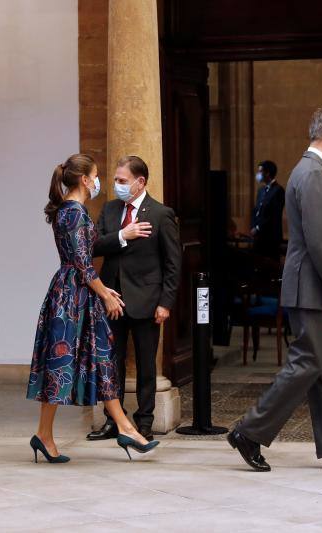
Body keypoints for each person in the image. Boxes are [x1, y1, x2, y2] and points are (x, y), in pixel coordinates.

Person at [227, 107, 322, 471]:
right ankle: (248, 431)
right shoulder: (311, 173)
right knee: (305, 364)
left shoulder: (316, 171)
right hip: (313, 289)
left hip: (315, 288)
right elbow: (318, 239)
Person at [27, 153, 159, 462]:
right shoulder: (72, 212)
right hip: (74, 296)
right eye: (97, 176)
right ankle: (48, 434)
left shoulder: (72, 210)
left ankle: (123, 428)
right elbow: (82, 265)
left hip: (78, 293)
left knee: (98, 359)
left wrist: (100, 291)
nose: (101, 182)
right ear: (85, 180)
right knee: (66, 364)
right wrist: (106, 294)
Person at [86, 155, 182, 442]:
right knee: (110, 363)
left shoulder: (160, 214)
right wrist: (123, 235)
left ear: (140, 183)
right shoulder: (111, 209)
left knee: (146, 365)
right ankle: (113, 420)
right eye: (116, 180)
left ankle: (145, 421)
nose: (117, 185)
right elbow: (93, 247)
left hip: (147, 300)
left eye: (122, 181)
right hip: (112, 299)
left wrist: (165, 302)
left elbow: (173, 263)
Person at [251, 160, 285, 260]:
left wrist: (257, 228)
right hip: (259, 238)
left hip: (270, 238)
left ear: (267, 173)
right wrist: (253, 226)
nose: (258, 174)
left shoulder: (278, 190)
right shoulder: (261, 190)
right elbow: (256, 210)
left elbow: (273, 215)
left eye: (260, 171)